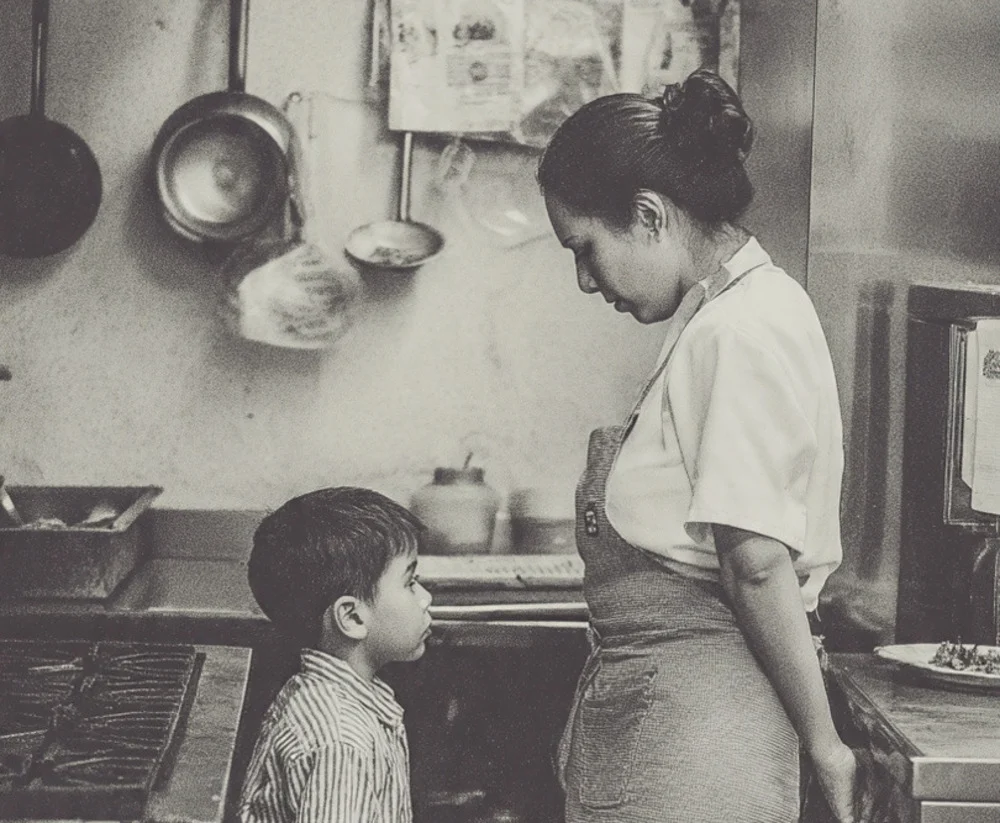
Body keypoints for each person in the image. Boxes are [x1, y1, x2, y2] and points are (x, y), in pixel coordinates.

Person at [537, 69, 861, 823]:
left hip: (702, 738)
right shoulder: (717, 316)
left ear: (649, 216)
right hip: (671, 721)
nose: (586, 280)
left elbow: (754, 562)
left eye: (584, 247)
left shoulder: (741, 328)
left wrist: (826, 746)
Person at [238, 486, 433, 823]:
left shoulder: (323, 695)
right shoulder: (342, 742)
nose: (426, 597)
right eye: (410, 581)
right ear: (353, 617)